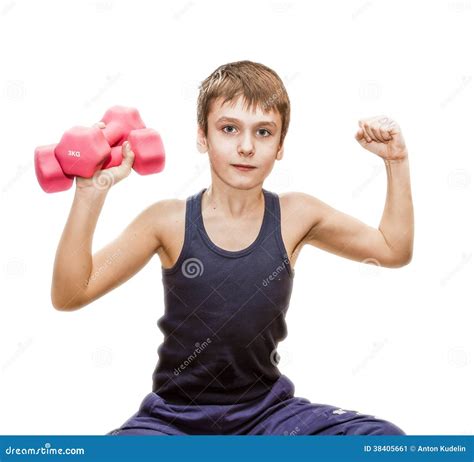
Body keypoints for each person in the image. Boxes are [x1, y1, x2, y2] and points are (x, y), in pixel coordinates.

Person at [51, 60, 414, 435]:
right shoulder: (167, 221)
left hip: (267, 416)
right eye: (229, 129)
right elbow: (70, 293)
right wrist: (90, 194)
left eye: (263, 132)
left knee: (382, 439)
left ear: (280, 145)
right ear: (202, 136)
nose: (245, 146)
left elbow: (391, 249)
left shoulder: (297, 214)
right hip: (174, 422)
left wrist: (396, 161)